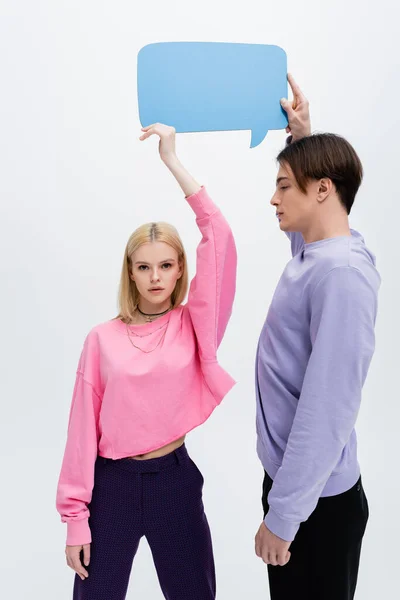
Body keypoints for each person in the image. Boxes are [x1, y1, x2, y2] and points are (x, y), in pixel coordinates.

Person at [56, 123, 237, 600]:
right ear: (130, 272)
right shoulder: (102, 339)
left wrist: (173, 161)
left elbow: (218, 236)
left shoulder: (194, 327)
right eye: (144, 266)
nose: (155, 276)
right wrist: (75, 518)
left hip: (173, 482)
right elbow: (80, 433)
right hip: (111, 488)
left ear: (180, 269)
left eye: (166, 265)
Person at [254, 76, 381, 600]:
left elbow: (328, 408)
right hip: (297, 489)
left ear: (322, 189)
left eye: (285, 184)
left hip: (315, 507)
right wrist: (298, 140)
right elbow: (306, 248)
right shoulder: (317, 257)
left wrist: (283, 516)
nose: (274, 198)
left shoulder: (342, 275)